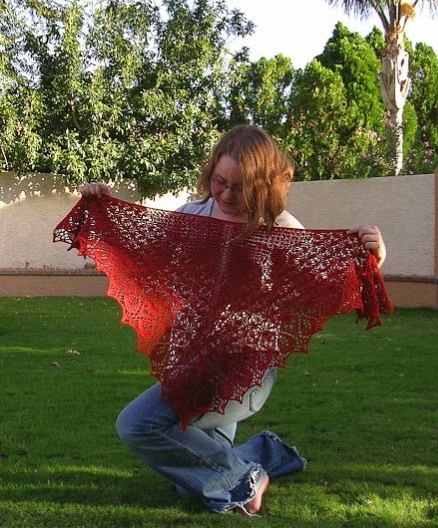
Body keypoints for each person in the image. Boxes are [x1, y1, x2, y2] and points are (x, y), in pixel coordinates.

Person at [79, 124, 386, 516]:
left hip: (242, 371)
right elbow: (145, 250)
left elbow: (329, 281)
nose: (225, 194)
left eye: (239, 188)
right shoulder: (192, 216)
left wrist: (374, 257)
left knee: (138, 425)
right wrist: (105, 206)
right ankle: (266, 453)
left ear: (262, 186)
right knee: (189, 480)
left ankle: (246, 478)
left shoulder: (279, 229)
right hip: (193, 361)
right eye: (219, 181)